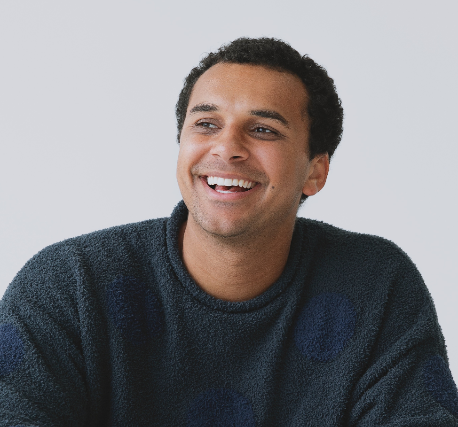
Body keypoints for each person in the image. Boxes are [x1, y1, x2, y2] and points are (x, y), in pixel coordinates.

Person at [0, 37, 457, 426]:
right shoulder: (68, 286)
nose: (227, 147)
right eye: (206, 124)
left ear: (315, 172)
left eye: (263, 129)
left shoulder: (377, 286)